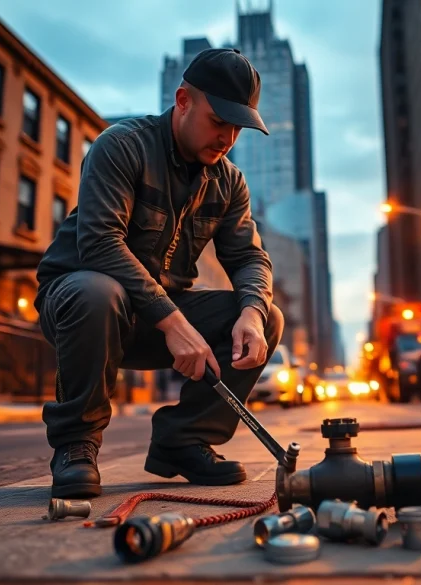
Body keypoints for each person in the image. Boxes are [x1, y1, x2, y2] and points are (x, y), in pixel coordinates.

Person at [33, 48, 284, 499]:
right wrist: (174, 322)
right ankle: (76, 445)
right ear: (183, 99)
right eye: (218, 120)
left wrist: (251, 311)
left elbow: (250, 259)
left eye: (237, 127)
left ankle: (183, 441)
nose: (227, 137)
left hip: (155, 319)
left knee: (266, 315)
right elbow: (99, 243)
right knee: (98, 291)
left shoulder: (229, 183)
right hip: (80, 304)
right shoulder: (122, 145)